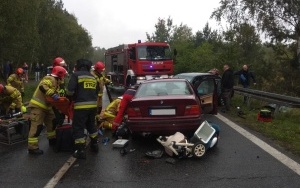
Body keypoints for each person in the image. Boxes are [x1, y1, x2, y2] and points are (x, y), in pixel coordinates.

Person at [27, 66, 67, 155]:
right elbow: (43, 86)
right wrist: (52, 94)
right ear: (59, 75)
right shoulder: (50, 78)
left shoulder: (57, 82)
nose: (64, 77)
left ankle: (52, 140)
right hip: (38, 106)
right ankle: (32, 148)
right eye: (63, 75)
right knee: (36, 127)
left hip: (47, 107)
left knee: (52, 123)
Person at [66, 59, 99, 159]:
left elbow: (69, 91)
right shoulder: (93, 77)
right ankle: (95, 145)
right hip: (93, 106)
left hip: (80, 107)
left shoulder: (76, 75)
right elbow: (97, 92)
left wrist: (72, 98)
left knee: (78, 127)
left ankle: (80, 150)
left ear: (78, 66)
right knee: (91, 125)